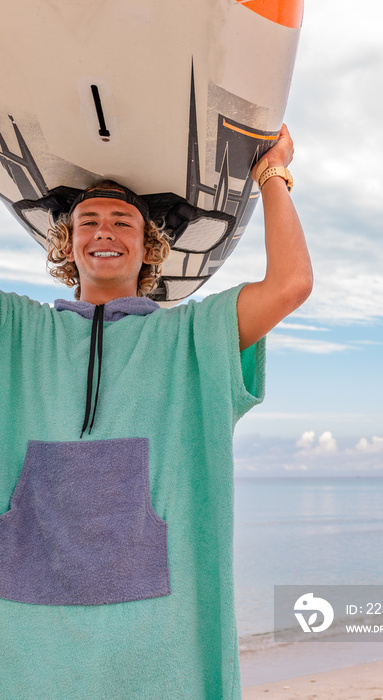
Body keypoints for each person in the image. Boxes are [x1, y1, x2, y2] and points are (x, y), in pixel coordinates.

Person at [0, 124, 312, 699]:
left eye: (124, 223)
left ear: (150, 249)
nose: (104, 232)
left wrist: (272, 173)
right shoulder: (17, 332)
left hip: (160, 634)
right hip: (26, 632)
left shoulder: (193, 336)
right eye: (87, 222)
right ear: (66, 245)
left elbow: (291, 284)